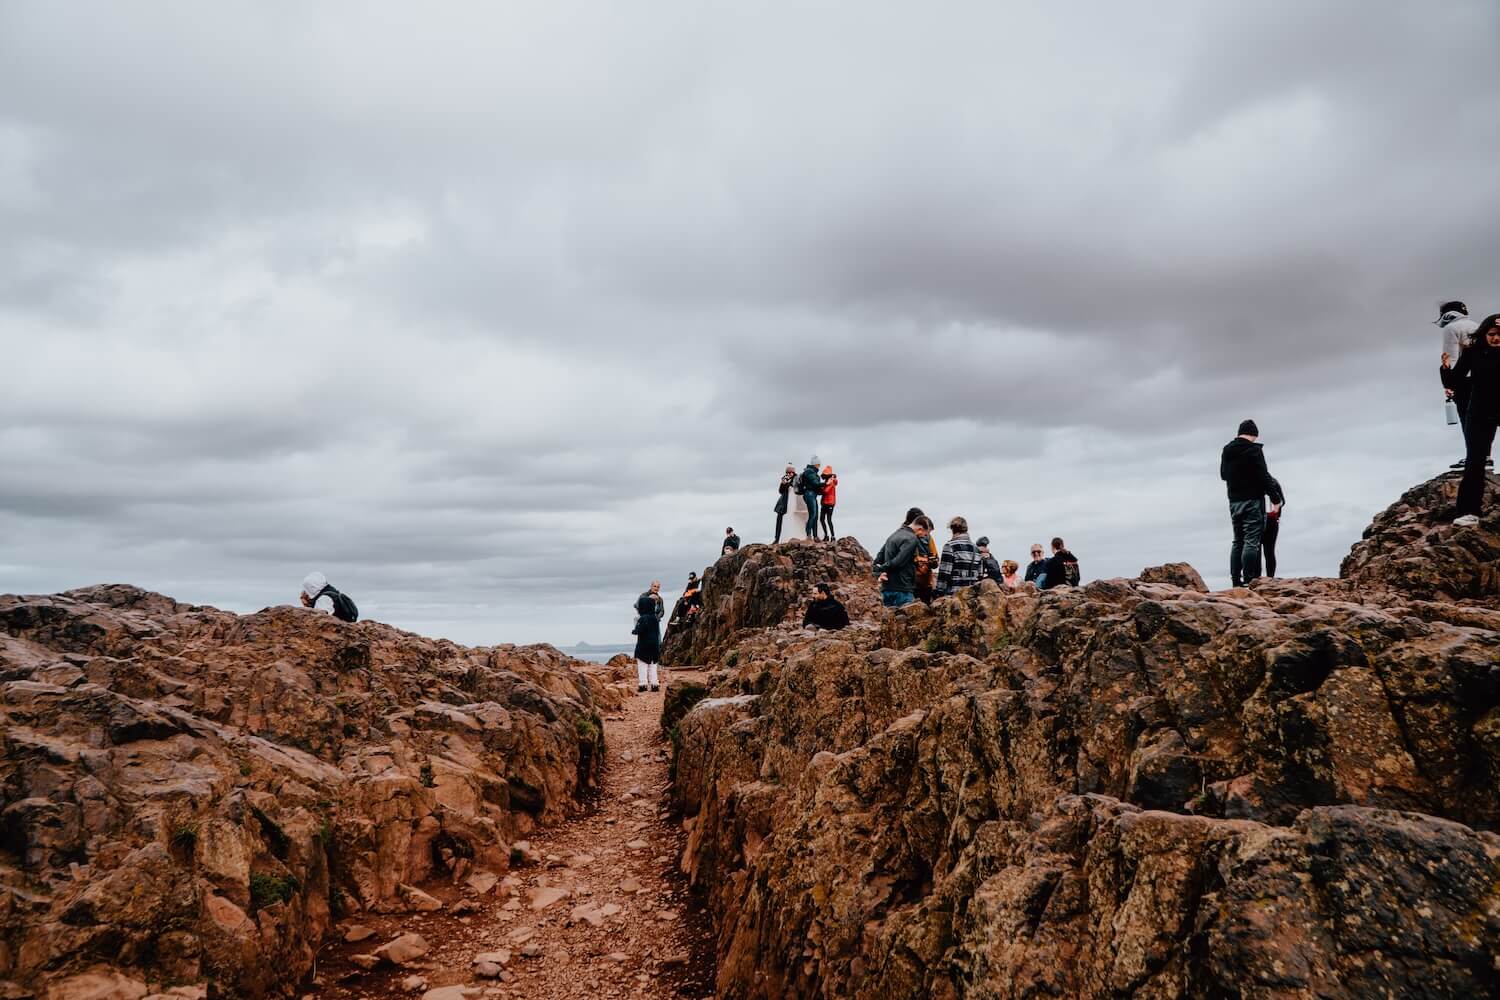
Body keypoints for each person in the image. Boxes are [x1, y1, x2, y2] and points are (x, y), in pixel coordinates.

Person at [1447, 313, 1500, 526]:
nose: (1497, 339)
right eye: (1492, 334)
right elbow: (1456, 378)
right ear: (1484, 334)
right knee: (1475, 460)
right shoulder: (1473, 353)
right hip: (1479, 412)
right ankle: (1468, 512)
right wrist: (1445, 371)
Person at [1220, 419, 1285, 586]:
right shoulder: (1254, 450)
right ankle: (1250, 581)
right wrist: (1275, 499)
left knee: (1237, 541)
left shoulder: (1227, 450)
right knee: (1251, 542)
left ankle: (1236, 581)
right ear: (1254, 434)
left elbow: (1223, 475)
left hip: (1234, 501)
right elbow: (1264, 476)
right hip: (1253, 501)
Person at [1438, 301, 1481, 469]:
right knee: (1481, 420)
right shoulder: (1477, 326)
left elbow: (1451, 358)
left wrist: (1449, 384)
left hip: (1464, 380)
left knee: (1468, 419)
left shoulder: (1451, 329)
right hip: (1482, 379)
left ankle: (1473, 458)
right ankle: (1484, 457)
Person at [872, 512, 930, 608]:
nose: (923, 536)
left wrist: (878, 572)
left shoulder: (892, 536)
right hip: (903, 590)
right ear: (920, 528)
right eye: (925, 534)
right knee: (906, 622)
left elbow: (877, 560)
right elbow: (899, 561)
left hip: (886, 589)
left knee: (888, 622)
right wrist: (882, 568)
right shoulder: (912, 539)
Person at [936, 516, 983, 596]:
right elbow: (980, 575)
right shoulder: (976, 549)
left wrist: (938, 593)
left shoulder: (950, 546)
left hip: (954, 596)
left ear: (952, 529)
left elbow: (944, 574)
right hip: (971, 596)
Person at [632, 581, 665, 692]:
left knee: (642, 664)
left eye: (658, 586)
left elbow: (639, 630)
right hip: (653, 643)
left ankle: (643, 684)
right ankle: (655, 684)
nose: (656, 588)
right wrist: (656, 617)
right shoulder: (654, 619)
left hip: (643, 645)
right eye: (655, 586)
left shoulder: (642, 618)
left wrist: (635, 630)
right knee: (653, 664)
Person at [800, 457, 823, 539]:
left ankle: (815, 536)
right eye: (818, 464)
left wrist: (823, 490)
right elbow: (815, 483)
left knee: (816, 516)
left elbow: (816, 487)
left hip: (813, 495)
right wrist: (826, 483)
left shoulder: (813, 473)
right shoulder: (809, 471)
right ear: (815, 464)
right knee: (812, 514)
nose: (819, 466)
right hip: (809, 494)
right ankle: (808, 534)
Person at [773, 465, 796, 543]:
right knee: (779, 520)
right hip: (783, 502)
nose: (789, 474)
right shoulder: (784, 478)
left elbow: (793, 488)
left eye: (790, 472)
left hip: (792, 502)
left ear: (793, 472)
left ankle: (783, 538)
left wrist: (786, 483)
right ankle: (777, 538)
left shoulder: (796, 479)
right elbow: (780, 491)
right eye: (787, 472)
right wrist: (783, 483)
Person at [818, 466, 838, 541]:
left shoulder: (831, 481)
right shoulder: (827, 481)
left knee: (828, 519)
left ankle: (832, 536)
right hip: (825, 503)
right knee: (822, 519)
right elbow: (824, 490)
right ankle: (826, 535)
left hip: (830, 503)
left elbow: (826, 491)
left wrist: (820, 489)